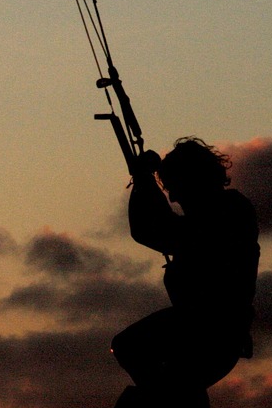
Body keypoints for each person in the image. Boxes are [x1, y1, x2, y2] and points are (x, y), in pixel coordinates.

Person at [111, 137, 259, 390]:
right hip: (207, 332)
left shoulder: (229, 213)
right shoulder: (223, 212)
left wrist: (144, 180)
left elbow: (156, 230)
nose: (175, 198)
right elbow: (158, 229)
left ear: (194, 180)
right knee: (134, 352)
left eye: (175, 188)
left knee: (131, 347)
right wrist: (144, 181)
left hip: (212, 332)